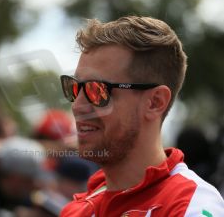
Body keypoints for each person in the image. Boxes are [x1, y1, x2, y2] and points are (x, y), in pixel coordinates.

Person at [59, 16, 224, 216]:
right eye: (74, 88)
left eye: (97, 91)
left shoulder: (191, 206)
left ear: (155, 102)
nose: (77, 106)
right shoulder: (75, 210)